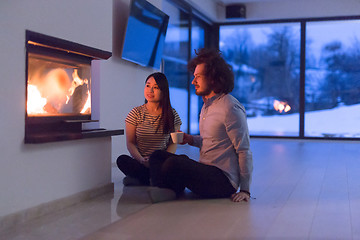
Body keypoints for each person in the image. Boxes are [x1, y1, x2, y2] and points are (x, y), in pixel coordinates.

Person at [148, 48, 253, 203]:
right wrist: (190, 139)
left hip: (223, 181)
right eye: (193, 76)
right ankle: (166, 187)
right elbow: (210, 142)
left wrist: (245, 189)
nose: (193, 81)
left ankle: (168, 188)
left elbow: (244, 150)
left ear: (213, 78)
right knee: (157, 155)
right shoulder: (206, 106)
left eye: (198, 77)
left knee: (176, 163)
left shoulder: (230, 107)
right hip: (206, 170)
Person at [116, 72, 182, 186]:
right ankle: (152, 178)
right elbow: (130, 143)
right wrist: (142, 160)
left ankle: (142, 179)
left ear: (164, 91)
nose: (150, 91)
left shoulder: (172, 114)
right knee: (122, 160)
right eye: (148, 85)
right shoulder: (136, 113)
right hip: (141, 162)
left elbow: (173, 143)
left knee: (179, 162)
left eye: (155, 87)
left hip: (161, 161)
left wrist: (161, 160)